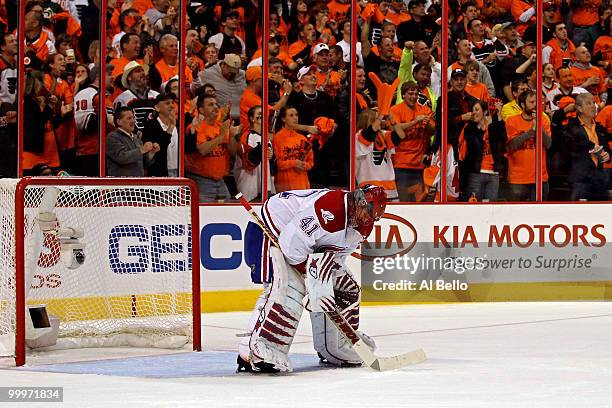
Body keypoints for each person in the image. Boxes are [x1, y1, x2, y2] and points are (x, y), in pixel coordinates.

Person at [237, 185, 386, 373]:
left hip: (305, 245)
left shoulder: (364, 225)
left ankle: (337, 347)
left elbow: (337, 256)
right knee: (290, 288)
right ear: (357, 201)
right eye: (365, 211)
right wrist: (312, 278)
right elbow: (291, 248)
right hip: (273, 230)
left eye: (370, 216)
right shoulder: (329, 208)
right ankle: (258, 349)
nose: (365, 218)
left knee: (344, 289)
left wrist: (322, 281)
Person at [554, 93, 611, 200]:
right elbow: (567, 152)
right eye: (588, 103)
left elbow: (607, 149)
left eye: (594, 102)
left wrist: (608, 156)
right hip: (580, 181)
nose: (593, 106)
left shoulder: (600, 129)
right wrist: (590, 148)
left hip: (600, 181)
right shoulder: (571, 128)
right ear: (579, 108)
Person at [106, 106, 160, 176]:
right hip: (121, 184)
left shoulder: (136, 138)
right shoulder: (112, 137)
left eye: (133, 118)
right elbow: (121, 158)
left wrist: (151, 153)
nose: (133, 121)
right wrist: (142, 150)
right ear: (119, 122)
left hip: (138, 183)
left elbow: (143, 164)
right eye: (129, 118)